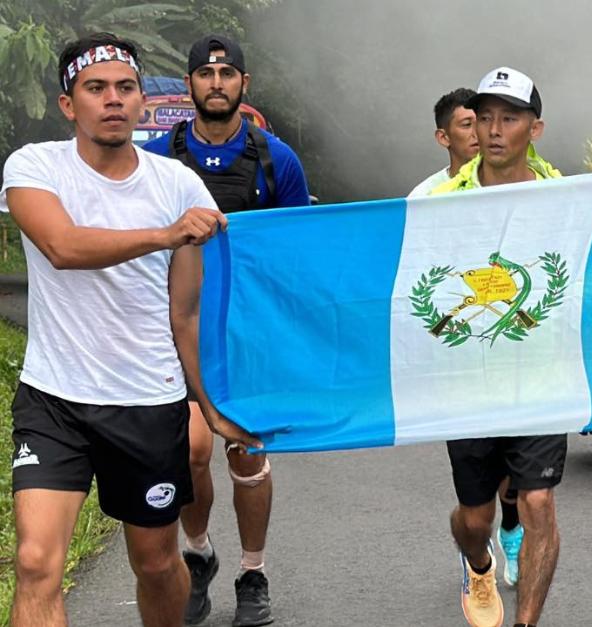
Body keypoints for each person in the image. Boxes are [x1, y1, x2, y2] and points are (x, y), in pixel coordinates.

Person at [3, 32, 258, 627]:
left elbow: (185, 313)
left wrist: (211, 406)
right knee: (37, 561)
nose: (112, 99)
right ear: (70, 104)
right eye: (95, 88)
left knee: (155, 563)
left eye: (125, 87)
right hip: (55, 400)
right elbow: (63, 247)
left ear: (142, 101)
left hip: (147, 402)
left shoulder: (177, 185)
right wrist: (166, 234)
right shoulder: (34, 166)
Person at [144, 33, 309, 627]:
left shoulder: (276, 158)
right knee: (190, 451)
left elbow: (298, 250)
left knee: (246, 453)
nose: (217, 82)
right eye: (206, 74)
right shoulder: (158, 159)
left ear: (244, 84)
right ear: (189, 85)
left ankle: (253, 571)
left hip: (247, 332)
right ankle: (199, 553)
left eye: (228, 73)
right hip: (174, 325)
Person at [431, 66, 563, 627]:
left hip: (539, 375)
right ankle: (479, 562)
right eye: (484, 118)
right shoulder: (438, 201)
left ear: (535, 129)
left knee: (536, 502)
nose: (493, 129)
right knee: (475, 517)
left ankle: (526, 622)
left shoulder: (568, 198)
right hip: (468, 379)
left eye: (509, 118)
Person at [409, 88, 479, 197]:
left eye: (483, 121)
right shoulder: (424, 196)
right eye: (466, 124)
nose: (478, 132)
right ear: (443, 138)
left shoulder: (510, 184)